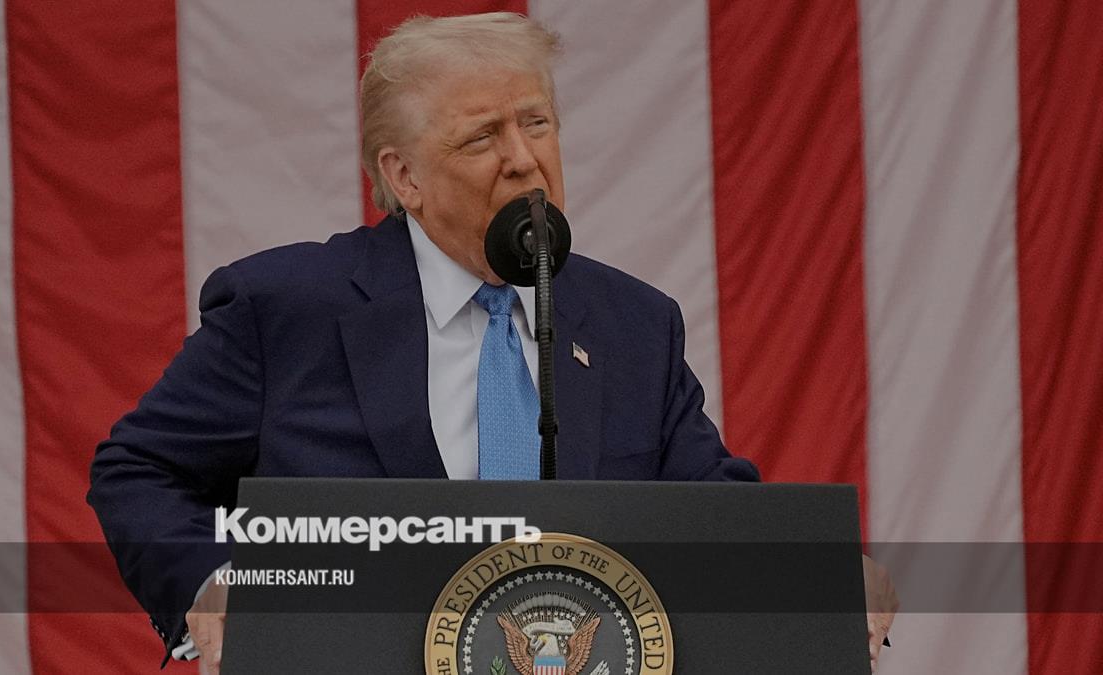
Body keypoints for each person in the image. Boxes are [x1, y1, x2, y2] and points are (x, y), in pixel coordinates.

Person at [87, 12, 894, 673]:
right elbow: (139, 468)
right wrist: (214, 583)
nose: (523, 160)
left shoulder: (633, 324)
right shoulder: (288, 308)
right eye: (481, 138)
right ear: (404, 177)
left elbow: (710, 509)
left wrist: (822, 578)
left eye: (536, 123)